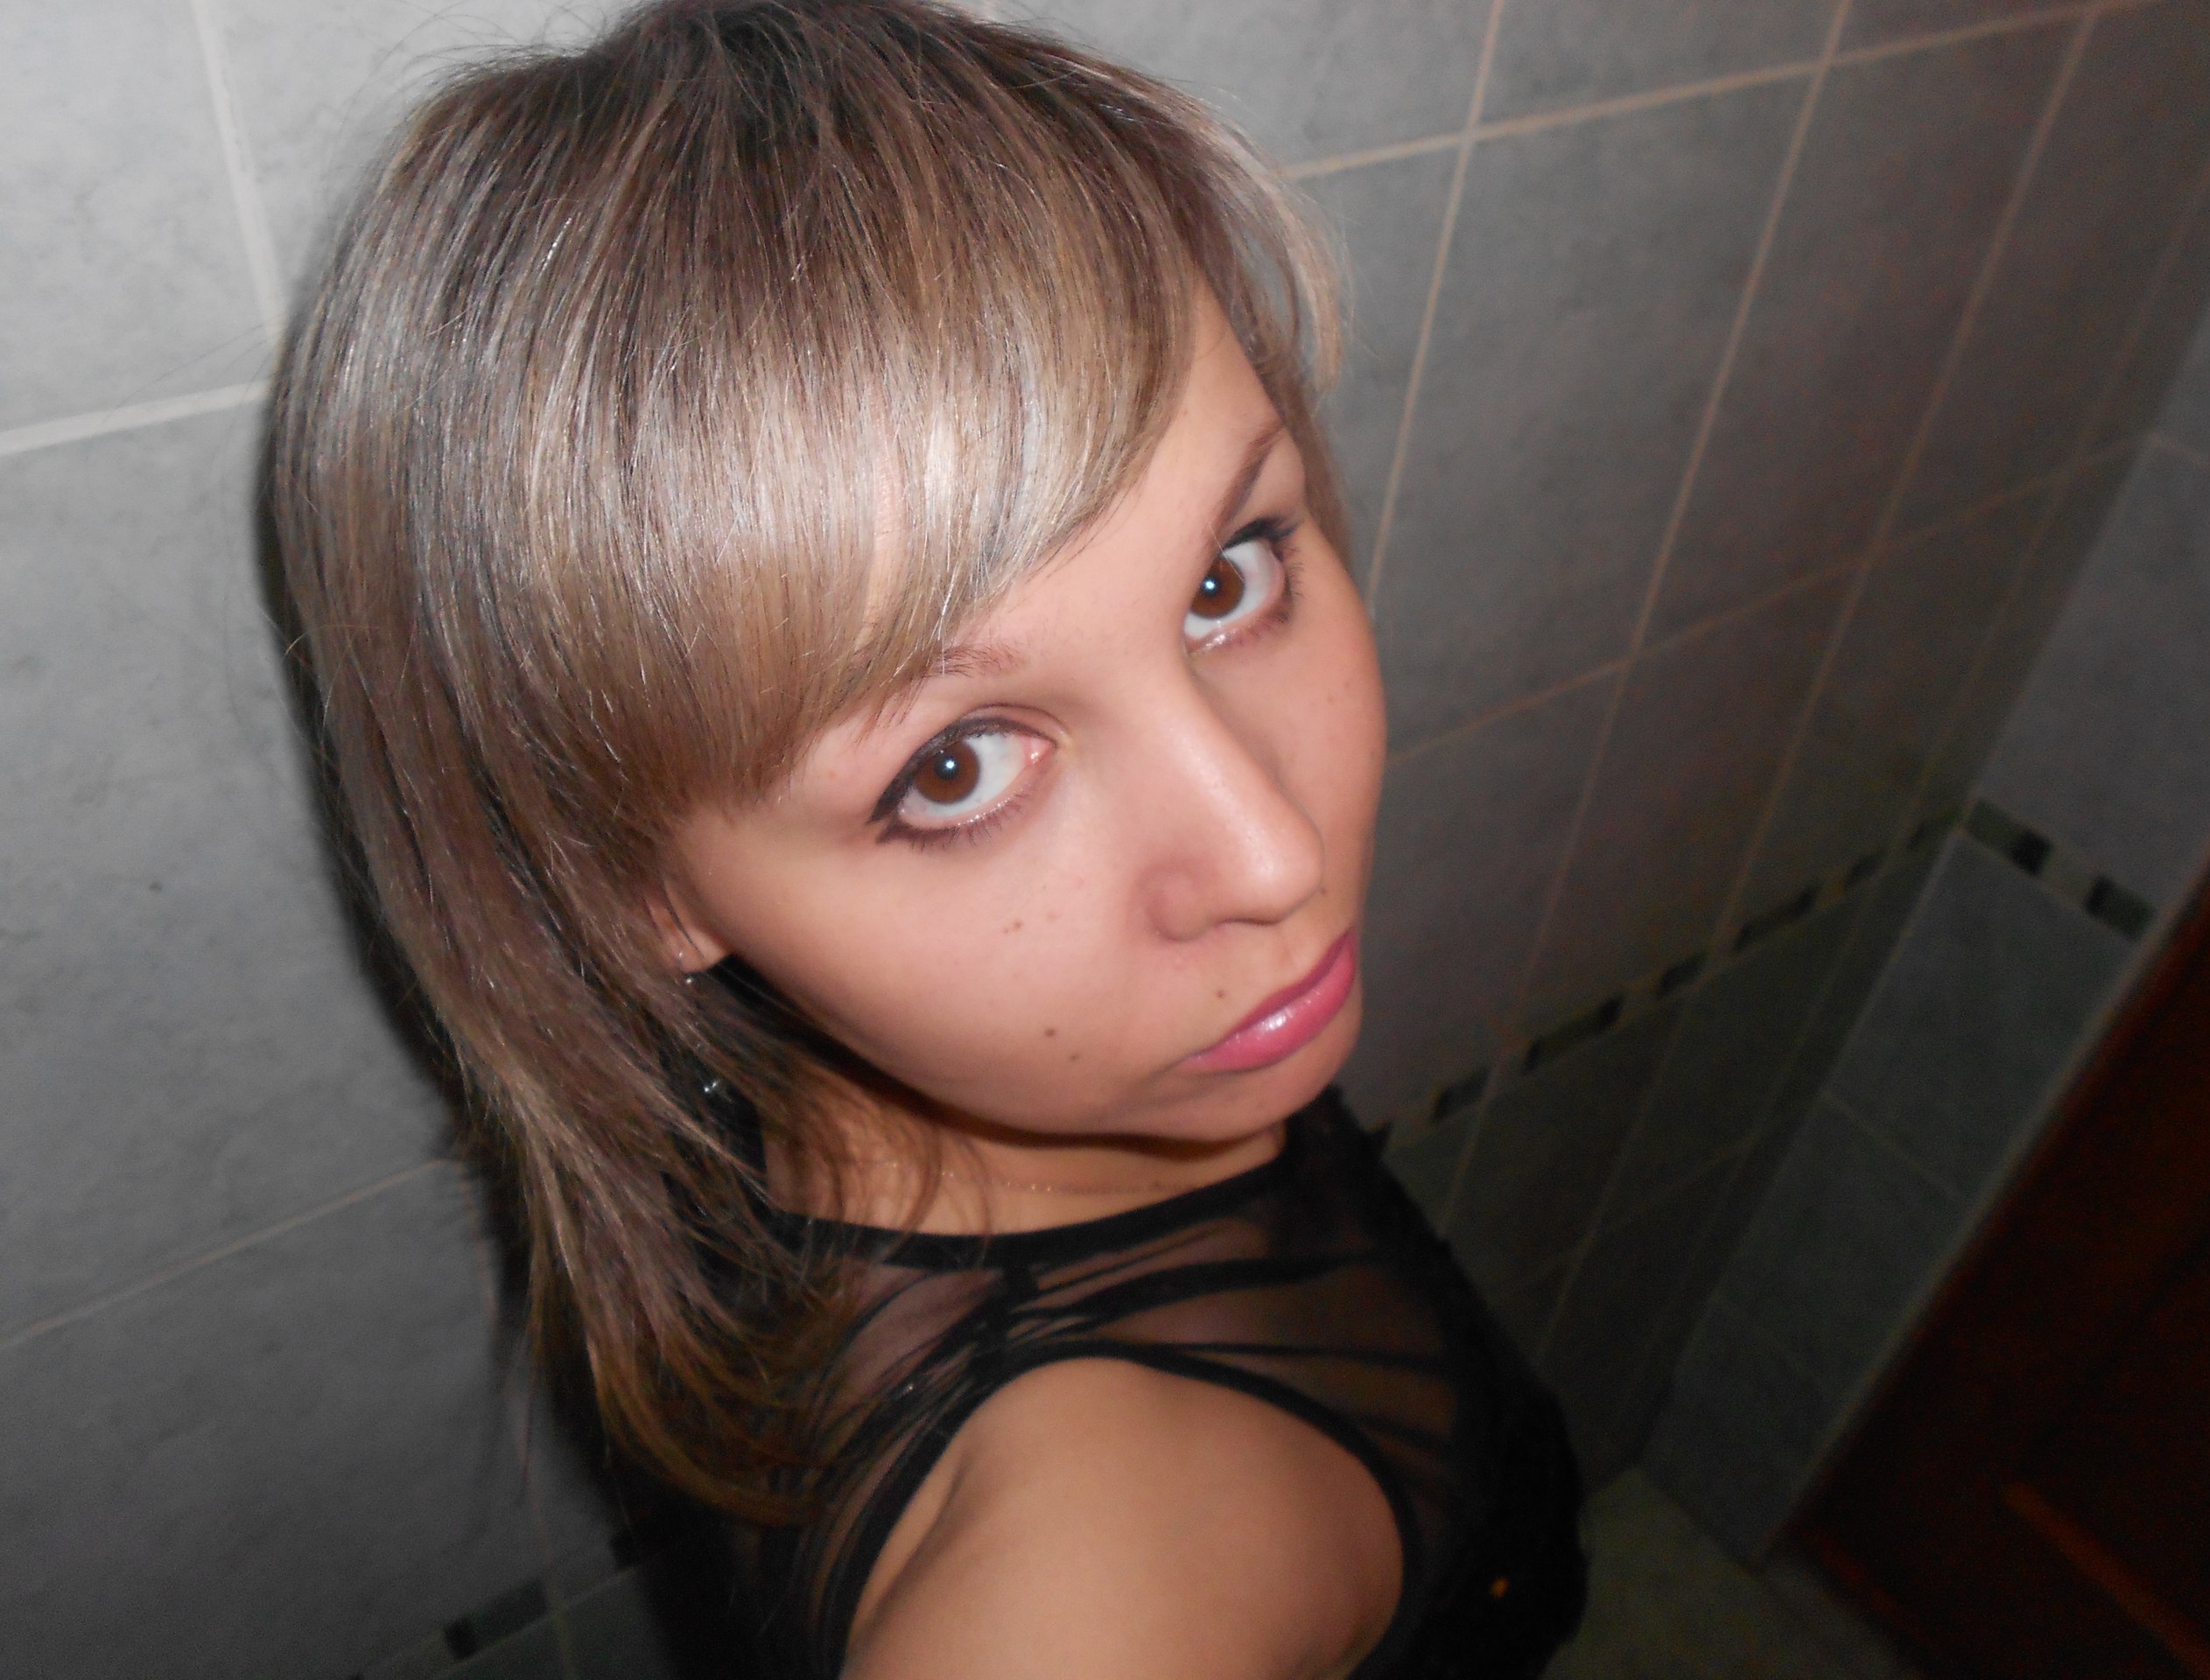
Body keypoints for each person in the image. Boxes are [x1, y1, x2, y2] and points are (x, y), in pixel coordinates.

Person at [269, 2, 1588, 1674]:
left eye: (1225, 577)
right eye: (955, 769)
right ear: (630, 887)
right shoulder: (1089, 1607)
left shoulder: (797, 1071)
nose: (1274, 857)